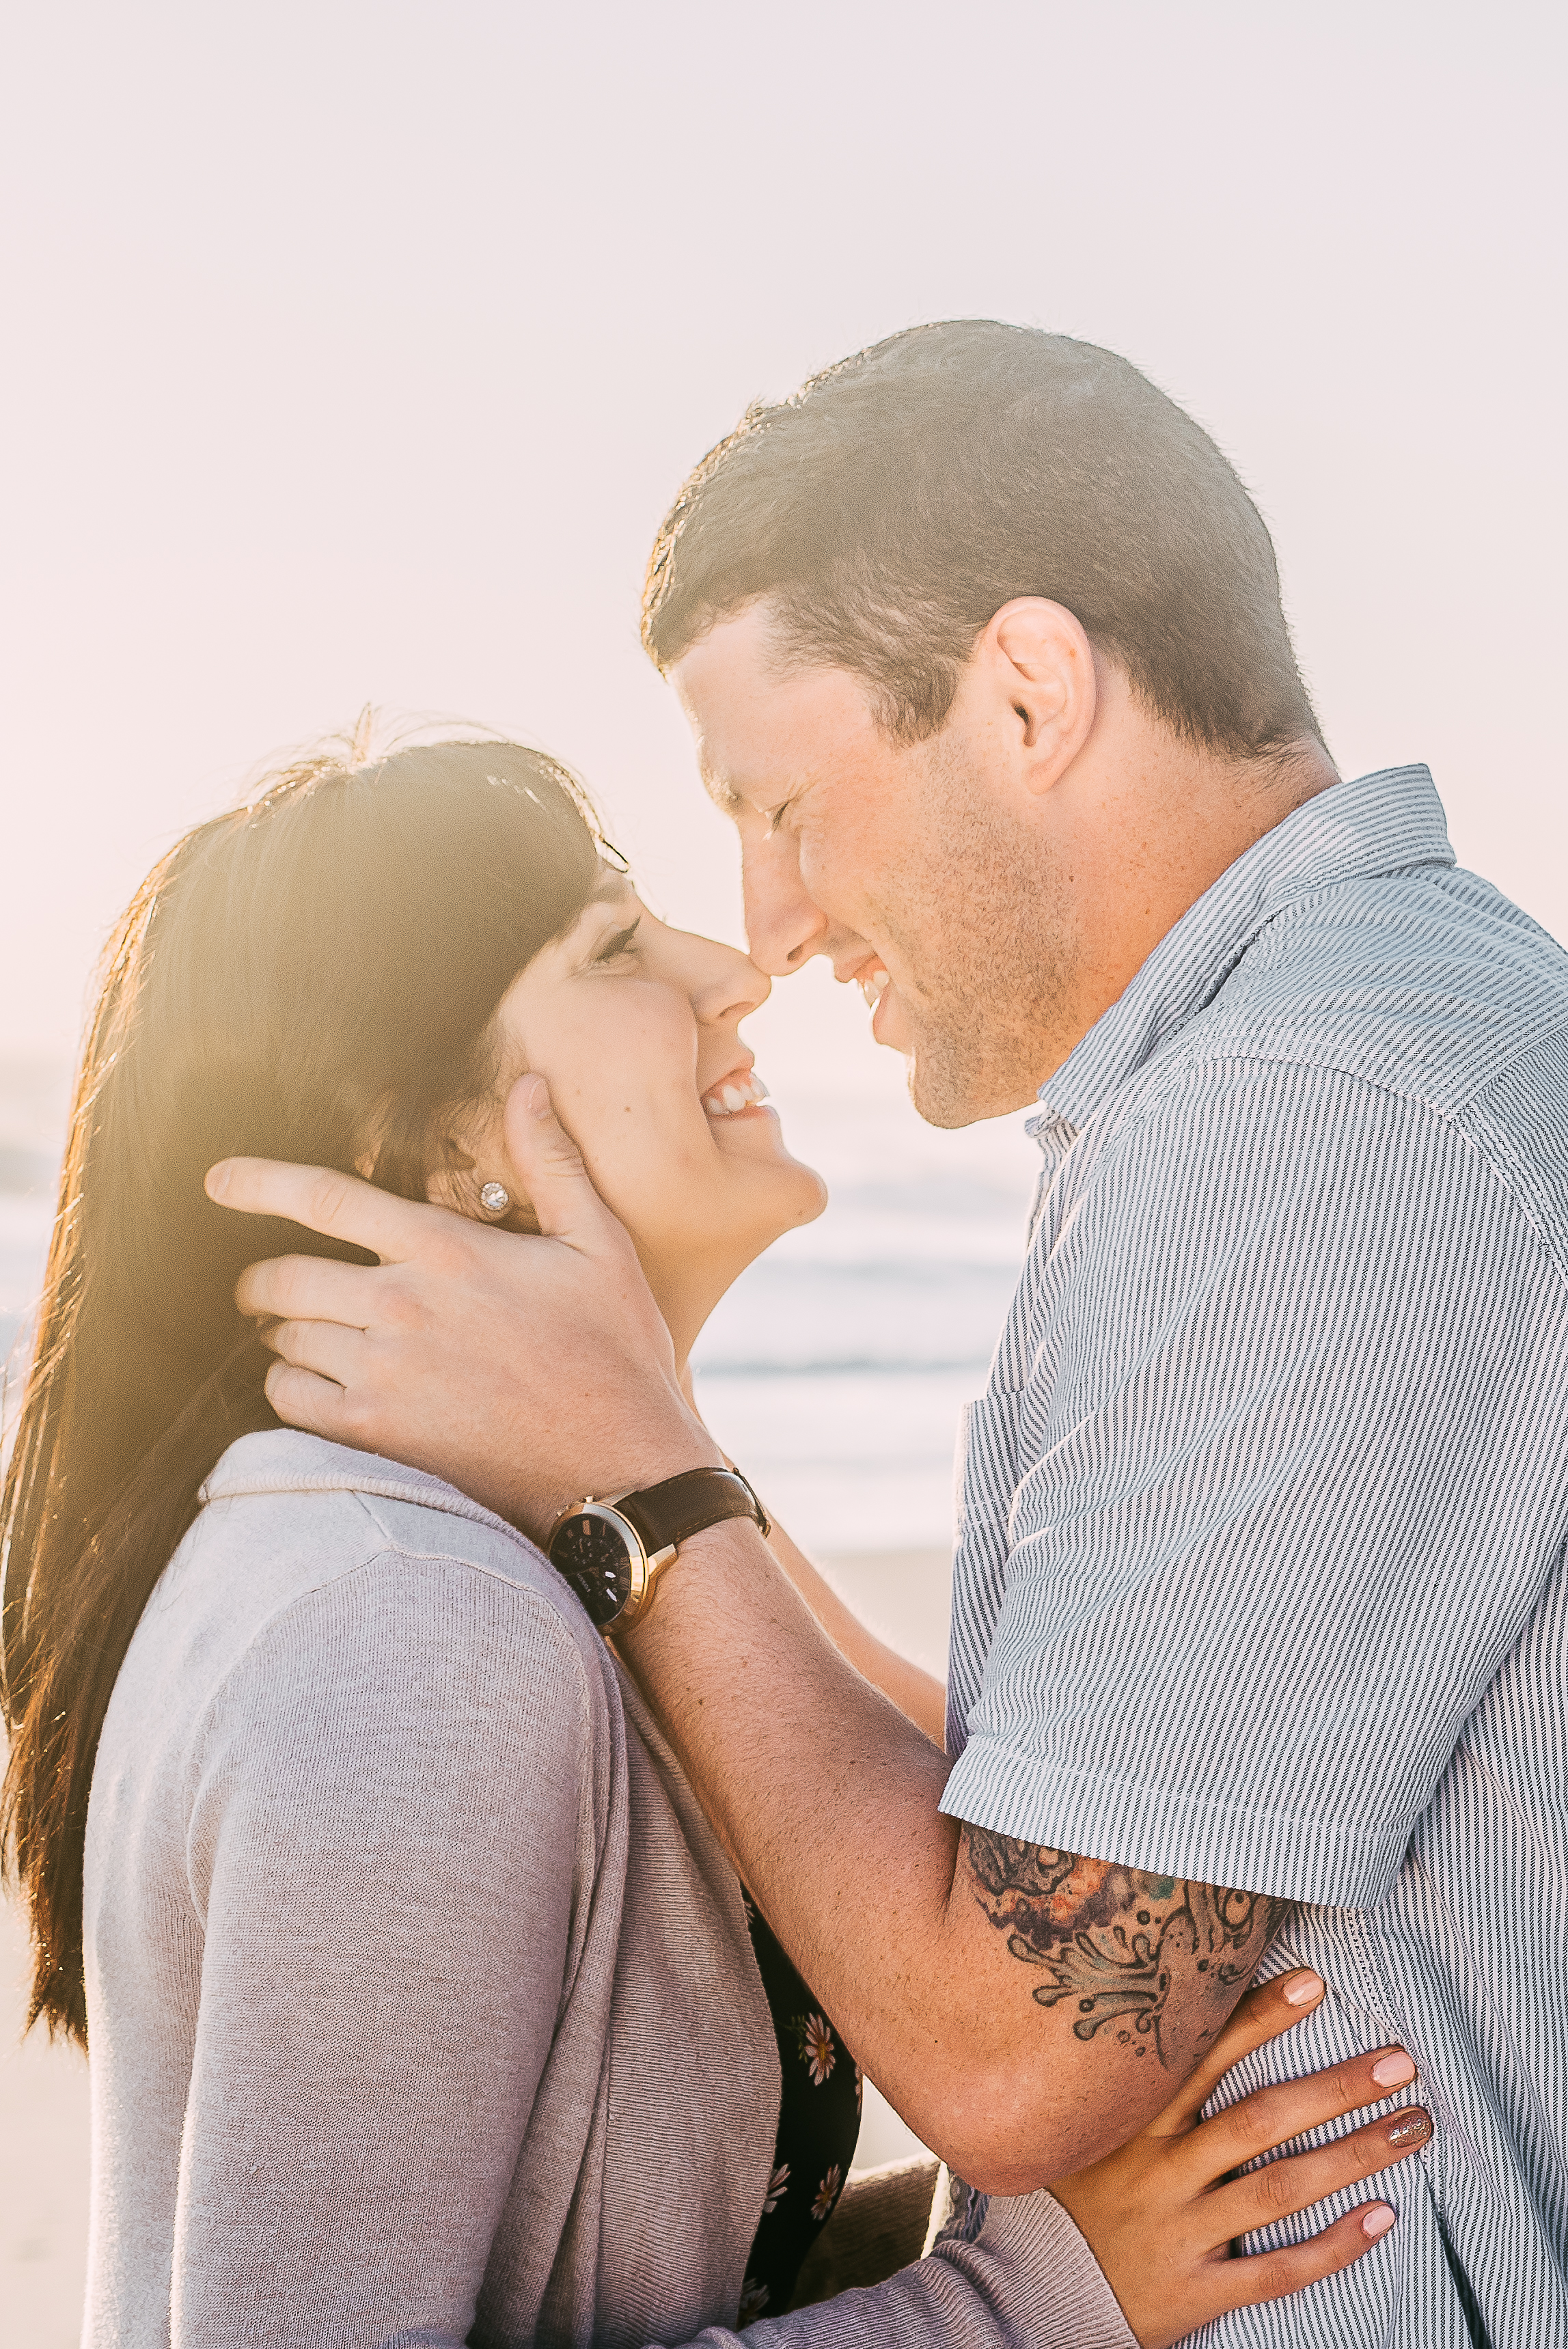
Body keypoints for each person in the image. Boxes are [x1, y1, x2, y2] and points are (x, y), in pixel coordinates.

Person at [217, 324, 1568, 2347]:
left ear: (1026, 691)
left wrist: (641, 1492)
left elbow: (1023, 2048)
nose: (767, 919)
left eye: (783, 801)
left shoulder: (1307, 1120)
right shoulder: (1350, 1051)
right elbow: (1103, 1789)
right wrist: (664, 1452)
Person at [0, 730, 1425, 2349]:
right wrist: (1020, 2301)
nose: (731, 971)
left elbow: (611, 2265)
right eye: (610, 947)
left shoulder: (554, 1552)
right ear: (434, 1144)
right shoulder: (407, 1630)